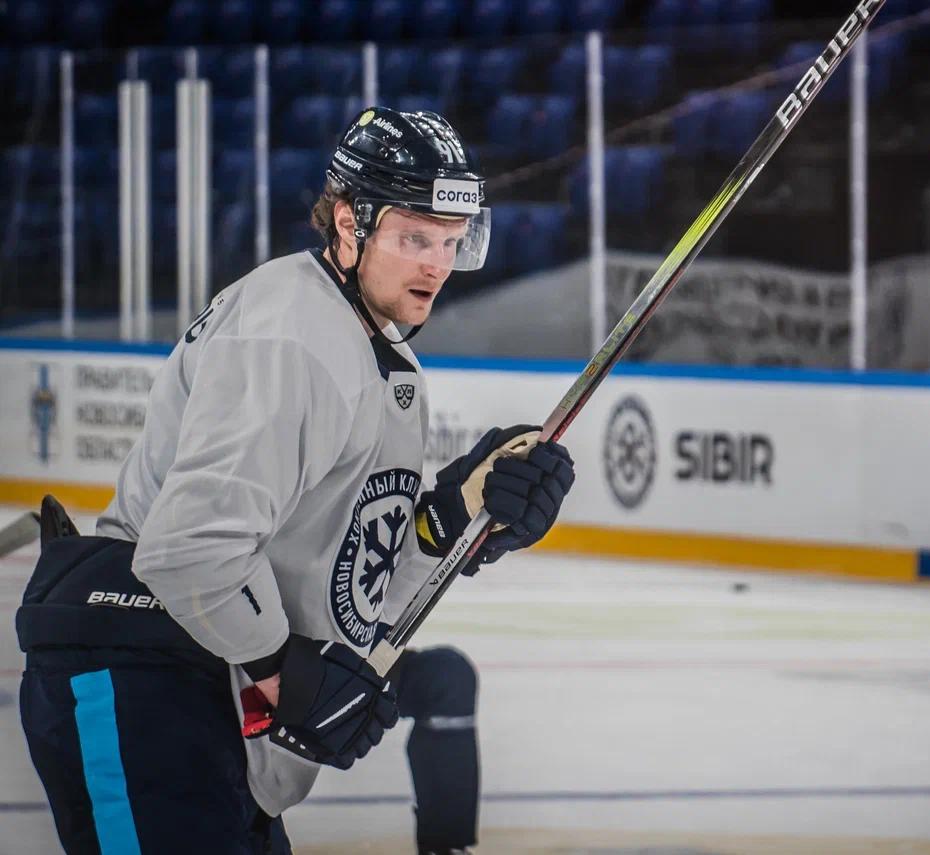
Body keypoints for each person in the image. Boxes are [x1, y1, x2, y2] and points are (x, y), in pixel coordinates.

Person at [16, 107, 575, 855]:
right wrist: (290, 674)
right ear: (348, 224)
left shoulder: (382, 358)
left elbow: (356, 574)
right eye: (415, 238)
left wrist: (462, 515)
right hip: (141, 676)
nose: (437, 265)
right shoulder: (291, 334)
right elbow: (190, 549)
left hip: (203, 691)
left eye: (450, 242)